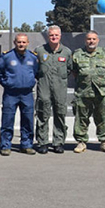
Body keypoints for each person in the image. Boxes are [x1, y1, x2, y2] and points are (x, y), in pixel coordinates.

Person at [0, 33, 39, 156]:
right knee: (7, 120)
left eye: (24, 42)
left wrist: (30, 82)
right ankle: (5, 145)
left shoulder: (33, 58)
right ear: (15, 42)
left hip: (27, 94)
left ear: (28, 43)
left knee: (28, 120)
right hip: (11, 93)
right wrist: (7, 83)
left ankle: (27, 145)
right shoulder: (7, 57)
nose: (21, 44)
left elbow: (36, 72)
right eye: (19, 42)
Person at [71, 31, 105, 153]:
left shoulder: (104, 54)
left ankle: (104, 142)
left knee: (103, 117)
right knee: (81, 117)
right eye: (89, 39)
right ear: (85, 40)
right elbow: (74, 71)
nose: (91, 41)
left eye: (94, 39)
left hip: (101, 92)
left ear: (98, 40)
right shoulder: (78, 54)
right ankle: (81, 142)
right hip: (83, 92)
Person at [33, 25, 72, 154]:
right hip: (44, 88)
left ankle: (58, 142)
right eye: (51, 35)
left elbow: (69, 69)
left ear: (60, 36)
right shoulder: (39, 51)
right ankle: (42, 142)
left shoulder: (66, 52)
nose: (54, 37)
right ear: (48, 36)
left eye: (56, 35)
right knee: (42, 115)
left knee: (60, 115)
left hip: (60, 89)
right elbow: (35, 69)